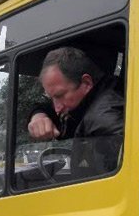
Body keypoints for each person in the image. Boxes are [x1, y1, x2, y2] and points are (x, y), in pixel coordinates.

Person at [28, 46, 124, 178]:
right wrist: (38, 115)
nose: (57, 109)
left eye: (59, 96)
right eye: (52, 98)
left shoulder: (103, 121)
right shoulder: (96, 100)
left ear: (86, 83)